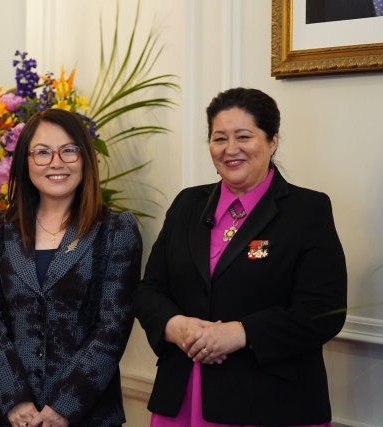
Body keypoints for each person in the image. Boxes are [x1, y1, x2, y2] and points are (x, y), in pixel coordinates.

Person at [134, 87, 347, 427]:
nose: (230, 149)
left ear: (272, 141)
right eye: (219, 138)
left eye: (243, 136)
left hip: (270, 401)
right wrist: (177, 326)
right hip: (185, 396)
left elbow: (324, 311)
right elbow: (149, 291)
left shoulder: (307, 210)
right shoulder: (187, 204)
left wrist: (241, 332)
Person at [0, 108, 142, 427]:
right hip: (16, 416)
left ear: (85, 158)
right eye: (42, 152)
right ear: (25, 161)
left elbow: (113, 327)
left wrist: (63, 407)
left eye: (68, 150)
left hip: (89, 413)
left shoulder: (116, 230)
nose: (56, 162)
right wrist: (16, 400)